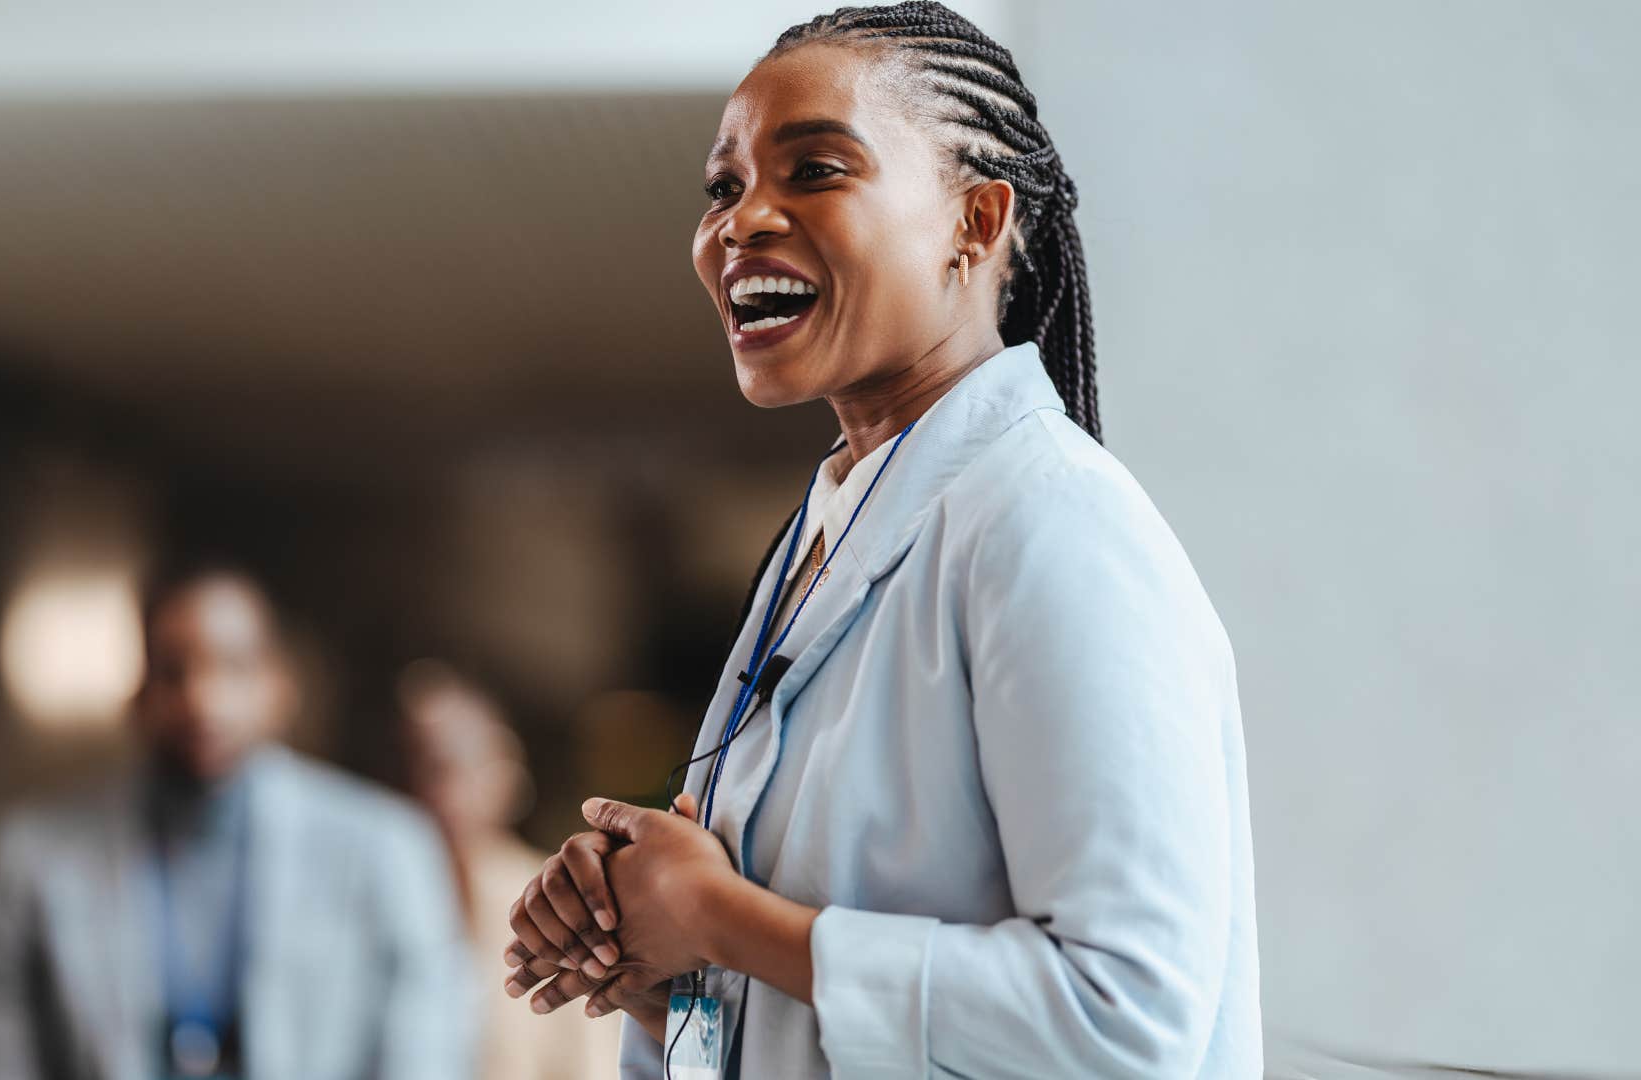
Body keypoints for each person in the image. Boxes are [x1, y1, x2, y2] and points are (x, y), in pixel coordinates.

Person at [501, 4, 1261, 1078]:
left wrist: (722, 918)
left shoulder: (1052, 522)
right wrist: (663, 967)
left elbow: (1125, 1023)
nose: (740, 222)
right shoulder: (824, 544)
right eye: (723, 187)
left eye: (813, 170)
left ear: (975, 222)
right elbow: (806, 1018)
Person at [0, 565, 473, 1080]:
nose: (202, 700)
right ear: (138, 694)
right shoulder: (29, 858)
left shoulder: (388, 849)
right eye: (172, 671)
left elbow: (426, 1055)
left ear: (280, 687)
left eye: (233, 667)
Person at [398, 661, 617, 1080]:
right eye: (406, 768)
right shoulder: (370, 896)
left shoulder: (553, 901)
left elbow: (593, 1061)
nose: (423, 790)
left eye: (443, 768)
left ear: (504, 777)